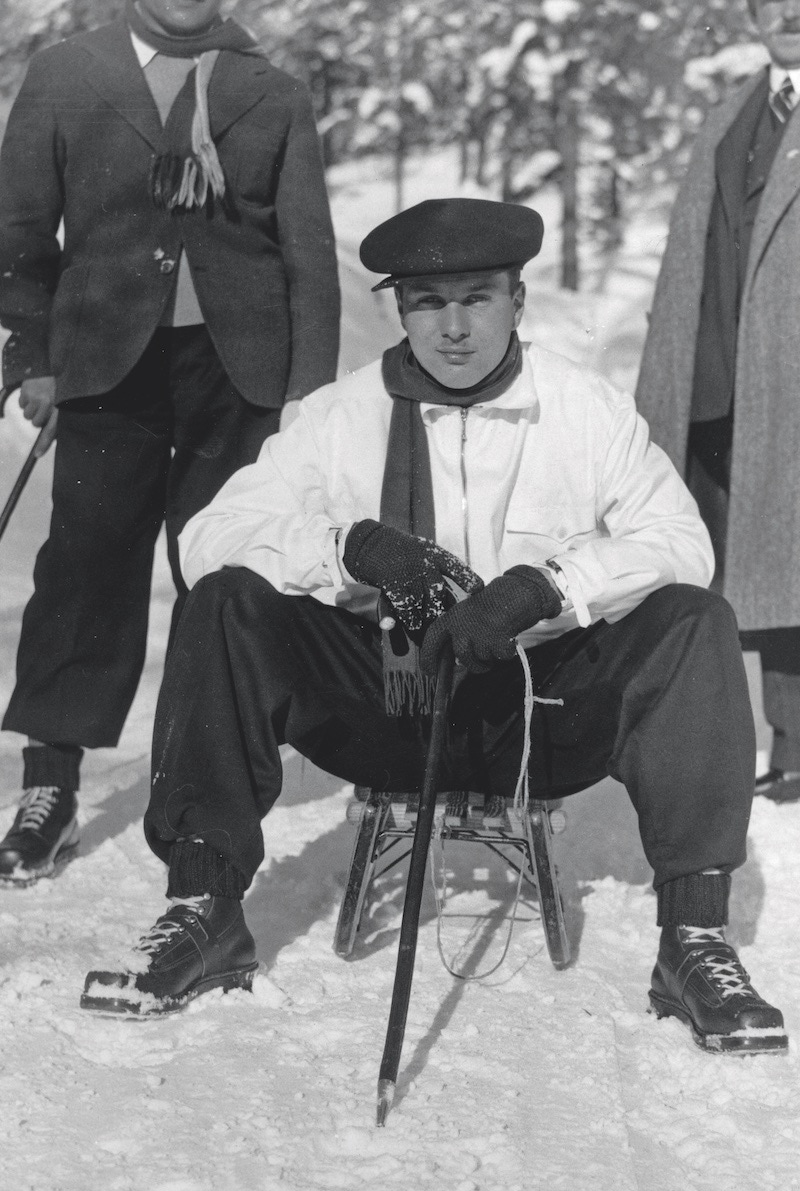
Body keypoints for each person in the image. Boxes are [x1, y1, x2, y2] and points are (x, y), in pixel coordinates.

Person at [81, 197, 786, 1056]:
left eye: (477, 297)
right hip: (384, 707)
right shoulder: (343, 413)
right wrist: (354, 549)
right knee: (228, 599)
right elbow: (208, 540)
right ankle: (203, 911)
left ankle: (693, 941)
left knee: (691, 620)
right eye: (426, 302)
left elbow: (681, 543)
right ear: (400, 309)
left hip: (538, 715)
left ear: (518, 301)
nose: (453, 327)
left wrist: (548, 585)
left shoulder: (584, 408)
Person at [0, 0, 340, 884]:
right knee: (85, 571)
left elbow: (307, 248)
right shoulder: (71, 74)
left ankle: (199, 793)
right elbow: (20, 232)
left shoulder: (273, 91)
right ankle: (50, 787)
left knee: (223, 579)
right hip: (106, 366)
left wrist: (308, 393)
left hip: (240, 377)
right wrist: (33, 357)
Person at [636, 0, 800, 803]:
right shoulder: (729, 113)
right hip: (714, 376)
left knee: (789, 559)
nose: (790, 12)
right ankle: (719, 751)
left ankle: (798, 750)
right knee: (721, 566)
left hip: (789, 378)